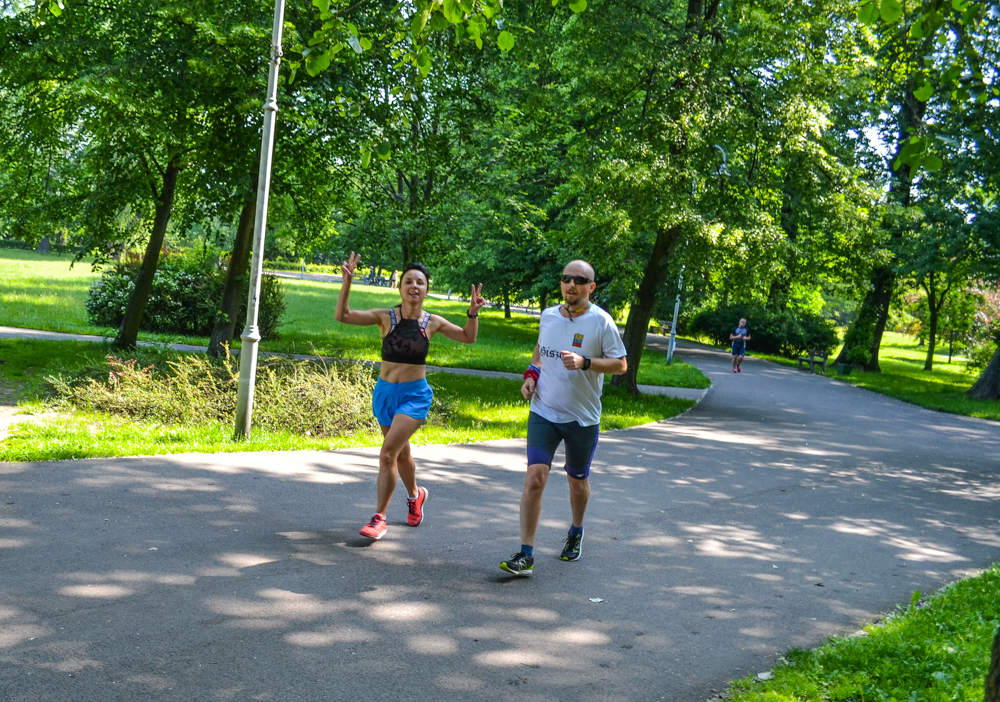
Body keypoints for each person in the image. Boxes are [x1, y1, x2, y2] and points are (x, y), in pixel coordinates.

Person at [335, 252, 486, 541]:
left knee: (387, 453)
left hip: (414, 396)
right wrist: (347, 284)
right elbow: (342, 316)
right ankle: (415, 496)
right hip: (385, 393)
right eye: (408, 281)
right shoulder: (385, 317)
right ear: (400, 287)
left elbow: (468, 337)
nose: (414, 286)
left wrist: (472, 312)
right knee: (401, 453)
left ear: (426, 289)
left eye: (420, 282)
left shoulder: (432, 322)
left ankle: (379, 518)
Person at [499, 260, 628, 577]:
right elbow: (540, 352)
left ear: (591, 287)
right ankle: (526, 554)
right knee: (535, 479)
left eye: (580, 280)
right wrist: (531, 376)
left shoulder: (601, 322)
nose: (571, 284)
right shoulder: (548, 316)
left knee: (577, 480)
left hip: (582, 419)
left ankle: (576, 530)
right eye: (566, 279)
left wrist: (586, 362)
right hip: (544, 411)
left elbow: (621, 365)